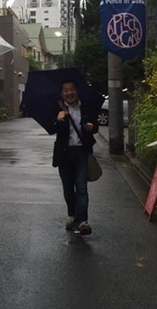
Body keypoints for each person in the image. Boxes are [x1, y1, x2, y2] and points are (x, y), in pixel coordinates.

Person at [49, 79, 99, 235]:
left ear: (77, 91)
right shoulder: (58, 108)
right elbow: (51, 127)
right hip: (64, 154)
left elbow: (95, 126)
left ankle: (82, 221)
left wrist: (91, 127)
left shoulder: (86, 107)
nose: (69, 93)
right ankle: (73, 216)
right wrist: (57, 119)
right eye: (65, 90)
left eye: (72, 89)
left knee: (81, 187)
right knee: (68, 188)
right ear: (61, 93)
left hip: (82, 152)